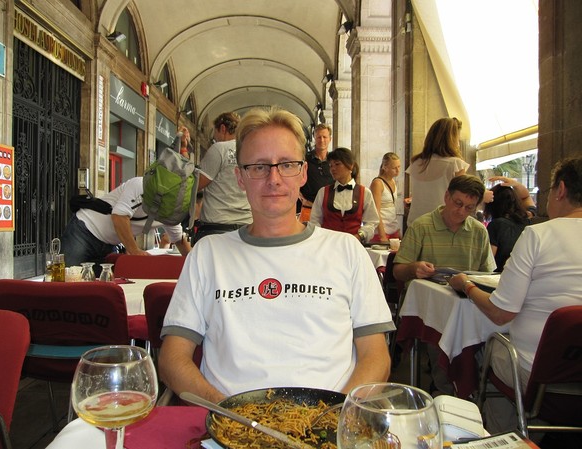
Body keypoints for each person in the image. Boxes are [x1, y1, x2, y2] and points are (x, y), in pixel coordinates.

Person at [159, 107, 394, 403]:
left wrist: (333, 416)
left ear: (303, 173)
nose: (274, 179)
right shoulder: (208, 255)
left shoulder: (347, 251)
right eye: (258, 167)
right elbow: (172, 359)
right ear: (240, 178)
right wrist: (230, 415)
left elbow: (376, 357)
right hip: (228, 424)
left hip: (328, 425)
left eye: (286, 165)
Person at [448, 156, 582, 433]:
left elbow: (500, 313)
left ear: (561, 190)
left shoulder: (538, 236)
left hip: (537, 372)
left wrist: (467, 286)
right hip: (571, 373)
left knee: (483, 346)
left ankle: (503, 434)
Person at [393, 174, 496, 395]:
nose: (461, 211)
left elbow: (488, 275)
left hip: (468, 306)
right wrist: (414, 268)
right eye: (457, 203)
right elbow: (398, 271)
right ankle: (447, 386)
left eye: (469, 208)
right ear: (446, 196)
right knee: (442, 336)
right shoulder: (422, 226)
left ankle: (465, 388)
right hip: (433, 309)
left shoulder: (478, 231)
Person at [60, 177, 190, 276]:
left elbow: (179, 240)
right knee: (65, 278)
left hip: (109, 244)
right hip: (84, 231)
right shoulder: (141, 185)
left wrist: (194, 262)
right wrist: (134, 250)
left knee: (101, 285)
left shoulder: (171, 213)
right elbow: (119, 217)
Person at [407, 117, 479, 226]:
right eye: (457, 139)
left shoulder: (416, 163)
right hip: (442, 224)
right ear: (451, 139)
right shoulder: (455, 164)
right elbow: (463, 196)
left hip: (415, 222)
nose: (458, 144)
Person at [194, 112, 252, 243]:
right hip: (246, 228)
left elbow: (196, 184)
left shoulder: (219, 149)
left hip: (217, 229)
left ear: (223, 128)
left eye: (215, 132)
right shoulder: (249, 149)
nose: (215, 137)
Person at [309, 147, 379, 244]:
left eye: (337, 164)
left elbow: (372, 221)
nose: (333, 169)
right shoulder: (323, 192)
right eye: (330, 166)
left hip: (354, 246)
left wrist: (360, 236)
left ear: (350, 166)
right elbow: (315, 221)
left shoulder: (365, 192)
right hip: (327, 245)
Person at [483, 180, 533, 271]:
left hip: (499, 277)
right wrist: (516, 184)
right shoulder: (528, 221)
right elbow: (527, 197)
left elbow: (489, 262)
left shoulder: (495, 225)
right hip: (522, 274)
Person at [298, 123, 334, 221]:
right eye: (319, 137)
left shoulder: (334, 161)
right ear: (314, 138)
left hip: (330, 211)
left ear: (330, 139)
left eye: (324, 137)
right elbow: (294, 179)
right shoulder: (305, 159)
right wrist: (302, 199)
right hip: (308, 209)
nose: (322, 140)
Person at [370, 152, 402, 241]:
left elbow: (392, 207)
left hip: (393, 227)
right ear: (385, 167)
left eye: (399, 167)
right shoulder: (378, 183)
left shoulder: (393, 181)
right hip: (382, 229)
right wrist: (382, 235)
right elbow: (376, 210)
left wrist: (398, 229)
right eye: (394, 168)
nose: (398, 170)